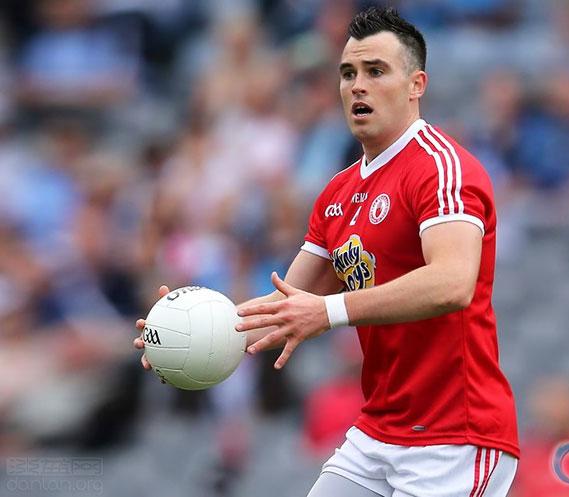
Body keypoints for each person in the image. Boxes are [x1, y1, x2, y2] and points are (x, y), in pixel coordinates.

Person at [134, 7, 519, 497]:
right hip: (379, 429)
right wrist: (187, 335)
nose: (358, 86)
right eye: (348, 73)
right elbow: (287, 307)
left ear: (416, 85)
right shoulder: (338, 192)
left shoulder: (441, 168)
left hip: (454, 436)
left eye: (375, 71)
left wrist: (329, 311)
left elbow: (453, 283)